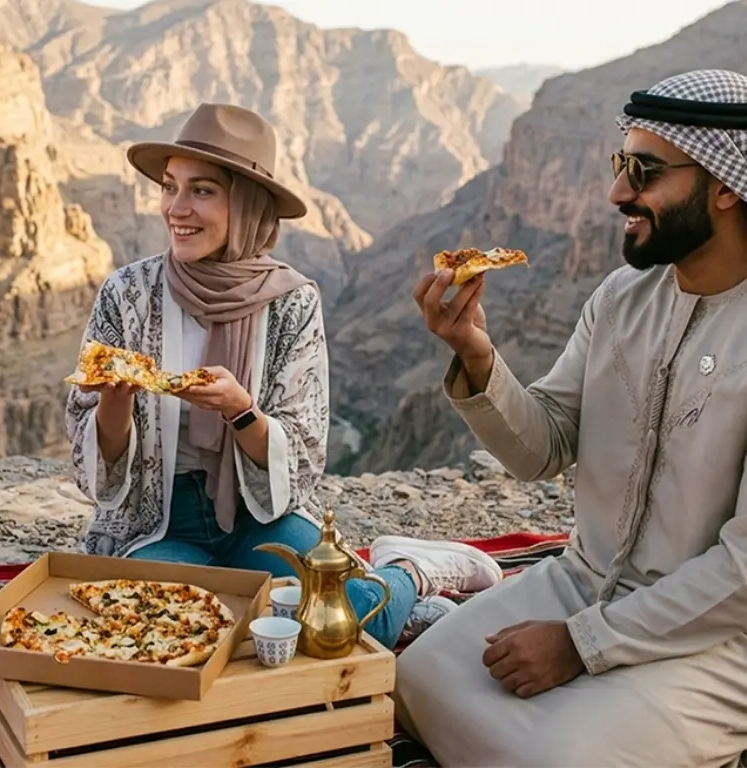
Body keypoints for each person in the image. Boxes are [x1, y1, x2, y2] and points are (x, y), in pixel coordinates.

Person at [396, 69, 747, 766]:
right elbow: (540, 449)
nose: (617, 193)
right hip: (588, 579)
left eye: (644, 172)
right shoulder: (622, 298)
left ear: (726, 184)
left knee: (554, 759)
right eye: (619, 164)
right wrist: (476, 355)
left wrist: (582, 644)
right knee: (415, 679)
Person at [63, 102, 504, 650]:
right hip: (156, 522)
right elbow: (90, 465)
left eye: (201, 191)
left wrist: (241, 411)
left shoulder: (293, 301)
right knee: (168, 636)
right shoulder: (127, 295)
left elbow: (303, 455)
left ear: (247, 205)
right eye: (170, 187)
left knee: (336, 625)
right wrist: (114, 403)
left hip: (258, 519)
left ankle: (408, 572)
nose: (176, 208)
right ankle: (394, 599)